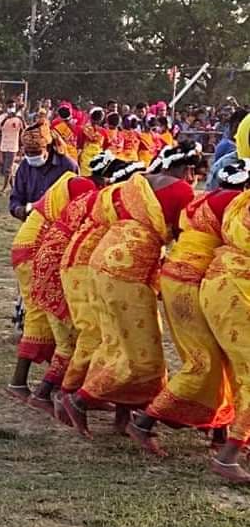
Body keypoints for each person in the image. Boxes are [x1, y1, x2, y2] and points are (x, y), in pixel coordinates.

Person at [63, 142, 201, 439]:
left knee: (118, 343)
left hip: (102, 262)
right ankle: (80, 400)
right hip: (129, 270)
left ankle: (123, 417)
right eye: (194, 172)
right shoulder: (181, 191)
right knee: (143, 356)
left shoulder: (137, 183)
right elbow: (184, 235)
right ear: (187, 168)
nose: (194, 178)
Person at [129, 159, 250, 456]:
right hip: (194, 280)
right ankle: (145, 421)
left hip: (180, 274)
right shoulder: (234, 203)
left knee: (219, 358)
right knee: (204, 362)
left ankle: (222, 431)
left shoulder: (205, 199)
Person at [56, 159, 147, 421]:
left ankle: (103, 399)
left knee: (113, 335)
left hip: (88, 264)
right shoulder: (120, 201)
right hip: (87, 267)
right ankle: (67, 393)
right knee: (97, 334)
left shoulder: (108, 196)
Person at [8, 166, 95, 402]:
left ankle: (51, 383)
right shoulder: (88, 191)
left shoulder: (81, 183)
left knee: (44, 316)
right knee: (46, 317)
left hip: (31, 246)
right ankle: (24, 384)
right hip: (37, 250)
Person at [200, 183, 250, 483]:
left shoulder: (242, 197)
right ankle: (228, 457)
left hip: (219, 283)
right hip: (237, 292)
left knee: (239, 371)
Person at [9, 125, 77, 220]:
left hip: (58, 224)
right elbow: (16, 197)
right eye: (28, 152)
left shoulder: (68, 166)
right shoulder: (25, 166)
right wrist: (18, 209)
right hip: (31, 221)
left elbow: (76, 202)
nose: (31, 156)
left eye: (36, 152)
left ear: (48, 148)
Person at [0, 102, 26, 194]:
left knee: (8, 168)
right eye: (9, 106)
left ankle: (4, 188)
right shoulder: (2, 117)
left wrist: (21, 117)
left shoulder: (18, 119)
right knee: (5, 167)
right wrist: (7, 118)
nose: (11, 108)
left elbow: (24, 129)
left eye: (12, 107)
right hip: (4, 144)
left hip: (13, 145)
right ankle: (14, 188)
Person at [78, 108, 106, 177]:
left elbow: (80, 144)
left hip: (86, 157)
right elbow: (104, 145)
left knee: (85, 178)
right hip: (98, 156)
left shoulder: (83, 129)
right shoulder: (103, 132)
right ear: (101, 119)